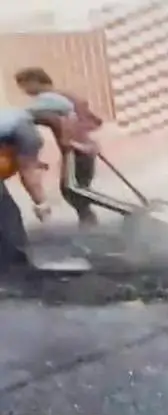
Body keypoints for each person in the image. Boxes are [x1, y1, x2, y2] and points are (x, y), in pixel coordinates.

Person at [15, 67, 102, 227]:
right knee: (75, 188)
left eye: (24, 85)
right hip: (82, 146)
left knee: (73, 189)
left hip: (76, 149)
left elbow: (28, 114)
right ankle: (88, 221)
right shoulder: (64, 96)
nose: (24, 91)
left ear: (35, 81)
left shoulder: (49, 99)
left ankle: (95, 217)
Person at [0, 108, 65, 270]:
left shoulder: (15, 122)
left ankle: (13, 262)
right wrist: (42, 204)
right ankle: (15, 265)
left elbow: (26, 165)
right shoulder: (27, 133)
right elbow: (28, 174)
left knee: (7, 214)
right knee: (7, 215)